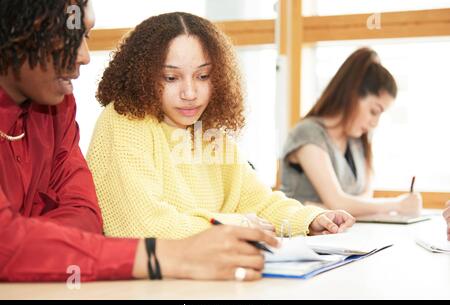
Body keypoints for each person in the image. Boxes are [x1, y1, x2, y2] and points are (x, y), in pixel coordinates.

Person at [0, 0, 279, 282]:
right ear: (15, 30)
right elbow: (7, 242)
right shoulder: (119, 121)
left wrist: (36, 245)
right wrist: (168, 255)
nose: (84, 56)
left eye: (85, 37)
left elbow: (83, 214)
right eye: (68, 37)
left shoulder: (59, 109)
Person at [86, 12, 355, 240]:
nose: (190, 92)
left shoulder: (208, 132)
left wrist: (310, 220)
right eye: (171, 77)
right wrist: (236, 225)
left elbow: (257, 202)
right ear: (142, 78)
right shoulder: (123, 121)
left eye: (203, 76)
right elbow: (140, 226)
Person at [280, 47, 422, 217]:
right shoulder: (308, 133)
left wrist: (327, 207)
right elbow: (338, 202)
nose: (375, 123)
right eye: (374, 111)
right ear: (353, 96)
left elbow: (364, 197)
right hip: (300, 238)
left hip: (344, 237)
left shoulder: (357, 141)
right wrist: (398, 204)